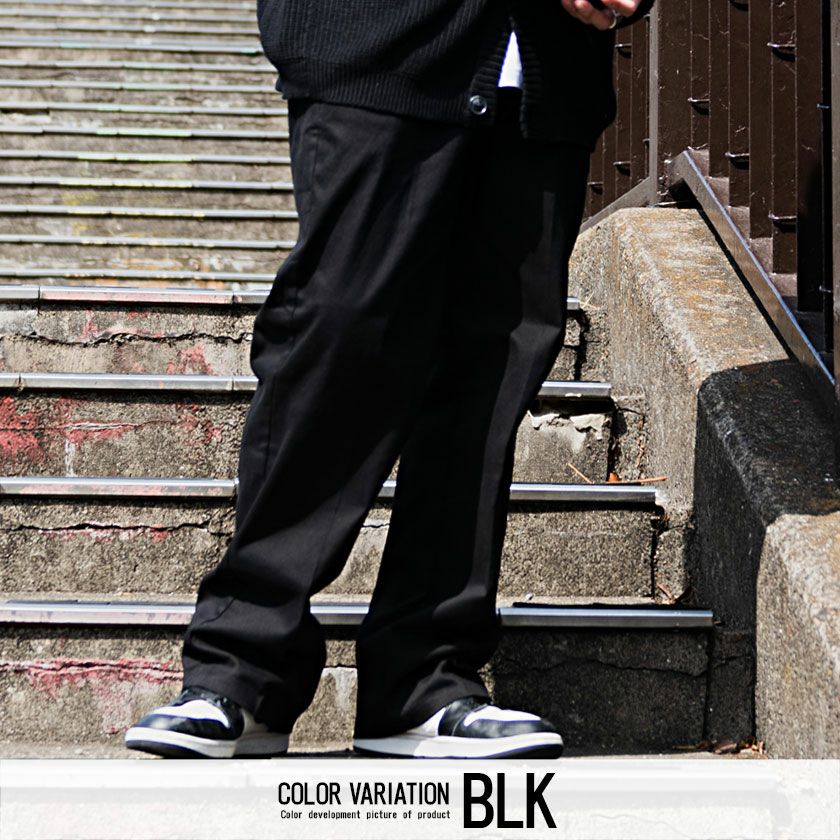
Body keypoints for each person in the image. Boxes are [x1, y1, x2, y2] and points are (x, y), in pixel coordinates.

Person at [125, 0, 652, 760]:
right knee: (338, 332)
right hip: (377, 39)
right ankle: (241, 670)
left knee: (491, 371)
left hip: (542, 69)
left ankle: (422, 683)